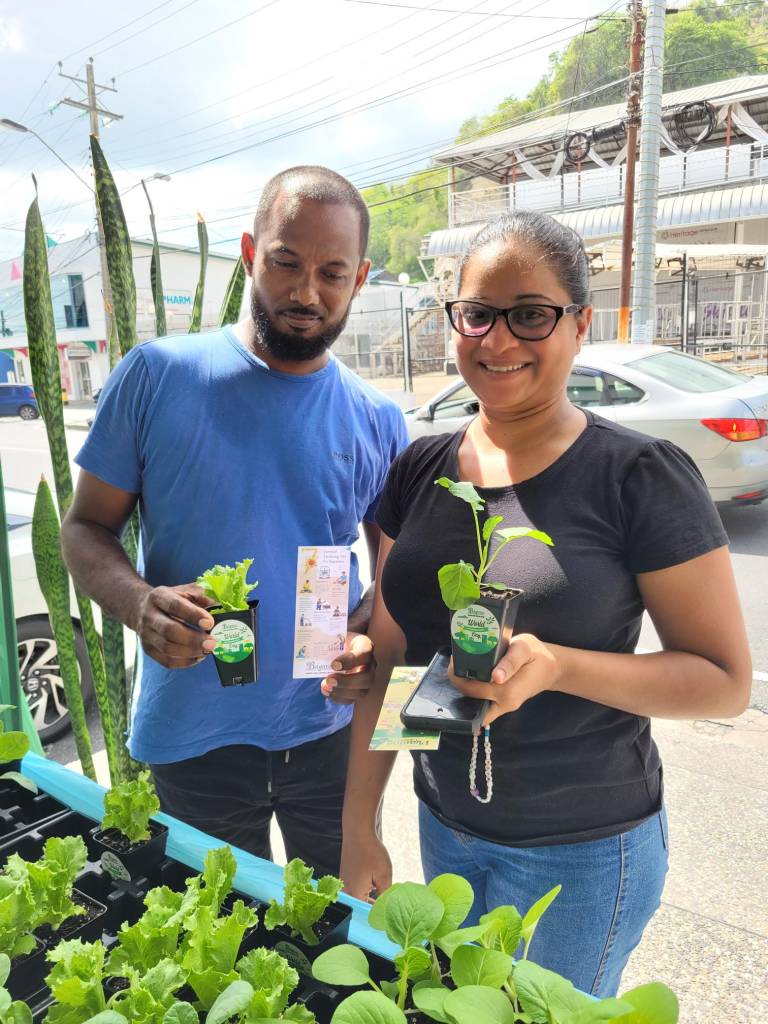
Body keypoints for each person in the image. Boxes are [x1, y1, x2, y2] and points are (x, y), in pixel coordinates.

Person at [335, 210, 752, 996]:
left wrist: (558, 666)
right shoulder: (420, 468)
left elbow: (723, 680)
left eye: (530, 315)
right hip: (446, 825)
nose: (496, 343)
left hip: (584, 848)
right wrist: (360, 828)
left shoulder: (639, 476)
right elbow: (393, 664)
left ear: (579, 325)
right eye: (477, 315)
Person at [61, 165, 409, 877]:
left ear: (361, 278)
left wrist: (363, 642)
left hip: (330, 735)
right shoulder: (158, 375)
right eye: (286, 262)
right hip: (194, 740)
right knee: (219, 950)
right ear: (251, 252)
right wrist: (138, 604)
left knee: (337, 945)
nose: (307, 291)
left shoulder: (378, 419)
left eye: (332, 273)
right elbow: (84, 529)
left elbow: (395, 585)